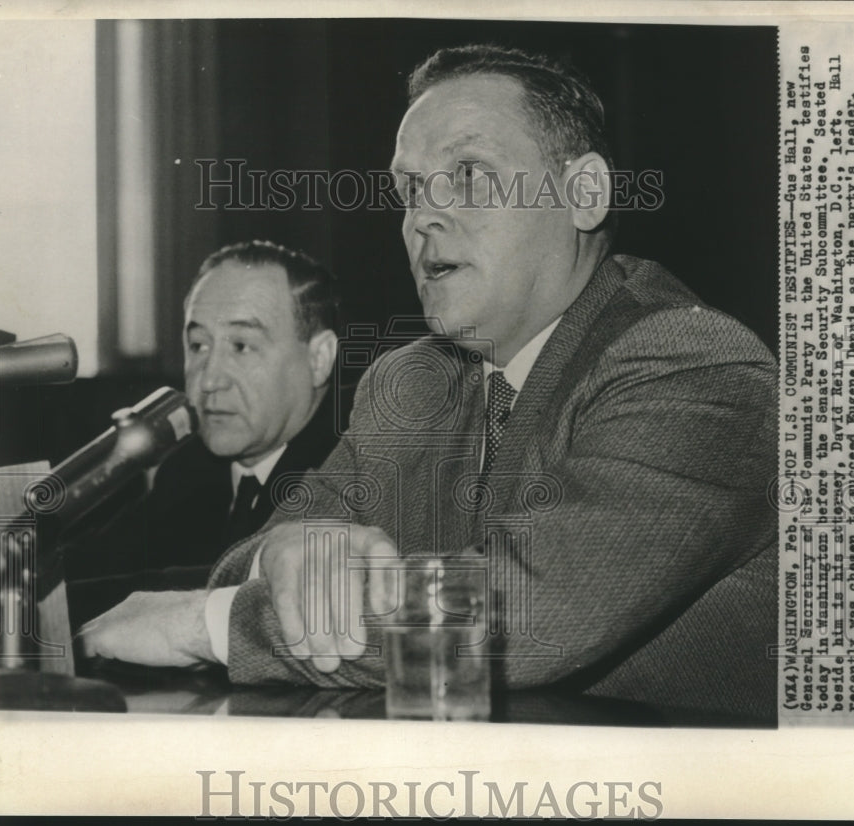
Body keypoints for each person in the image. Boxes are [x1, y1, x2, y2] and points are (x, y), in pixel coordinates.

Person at [80, 45, 778, 721]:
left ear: (584, 193)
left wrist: (207, 625)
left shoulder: (692, 364)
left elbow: (519, 616)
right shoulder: (408, 384)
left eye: (469, 173)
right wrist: (282, 552)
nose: (423, 217)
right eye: (411, 189)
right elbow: (247, 560)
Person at [65, 240, 343, 624]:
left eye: (242, 346)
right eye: (198, 345)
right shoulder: (187, 468)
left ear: (319, 359)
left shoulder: (352, 472)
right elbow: (87, 579)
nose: (209, 379)